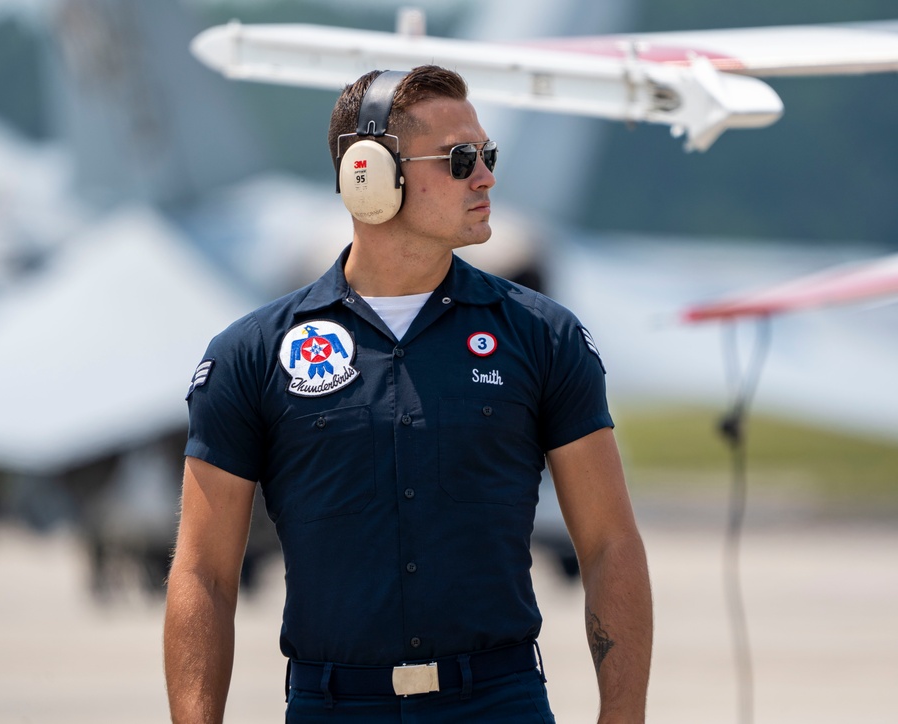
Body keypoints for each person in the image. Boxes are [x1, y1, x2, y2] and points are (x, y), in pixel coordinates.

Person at [164, 65, 652, 723]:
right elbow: (203, 574)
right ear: (368, 174)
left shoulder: (545, 337)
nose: (485, 177)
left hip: (498, 705)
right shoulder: (249, 355)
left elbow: (610, 545)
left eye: (488, 155)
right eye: (460, 159)